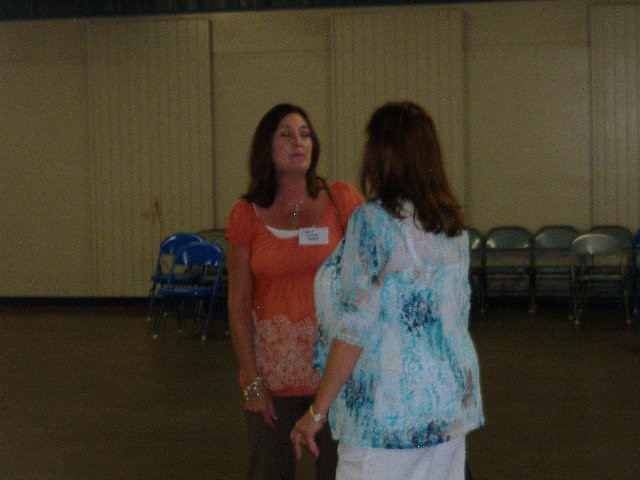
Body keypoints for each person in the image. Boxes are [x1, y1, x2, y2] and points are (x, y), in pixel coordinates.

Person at [290, 101, 484, 480]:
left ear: (383, 154)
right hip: (447, 406)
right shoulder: (451, 226)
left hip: (386, 414)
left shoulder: (374, 222)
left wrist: (316, 411)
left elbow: (354, 329)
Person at [225, 103, 364, 480]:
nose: (298, 142)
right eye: (285, 134)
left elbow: (369, 280)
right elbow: (238, 305)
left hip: (336, 376)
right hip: (272, 379)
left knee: (341, 473)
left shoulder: (341, 199)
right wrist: (253, 383)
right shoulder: (245, 213)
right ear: (266, 147)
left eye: (304, 134)